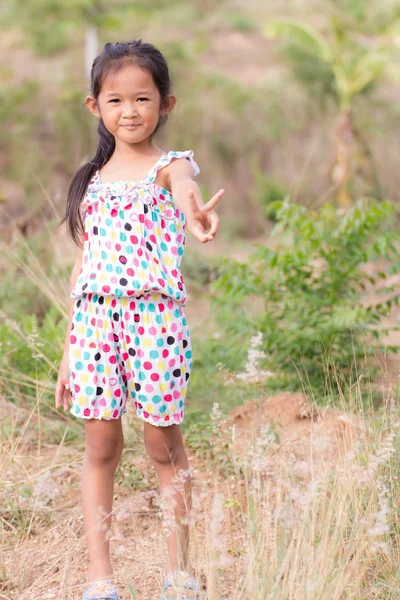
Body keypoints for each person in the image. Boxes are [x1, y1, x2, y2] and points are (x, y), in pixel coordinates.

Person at [55, 39, 223, 600]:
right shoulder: (93, 179)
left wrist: (196, 217)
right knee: (101, 445)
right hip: (96, 326)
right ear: (95, 106)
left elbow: (186, 194)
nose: (130, 111)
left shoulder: (168, 167)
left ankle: (180, 570)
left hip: (154, 321)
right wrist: (67, 351)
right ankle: (101, 577)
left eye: (143, 99)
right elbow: (85, 267)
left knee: (161, 444)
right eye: (116, 99)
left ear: (166, 103)